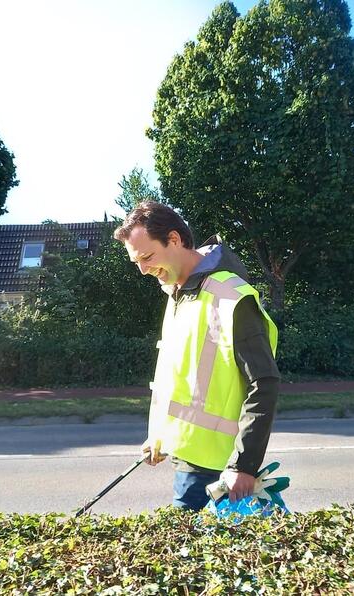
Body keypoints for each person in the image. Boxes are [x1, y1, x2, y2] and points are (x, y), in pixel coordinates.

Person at [114, 201, 280, 511]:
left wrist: (243, 465)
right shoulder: (180, 295)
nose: (143, 270)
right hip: (189, 463)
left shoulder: (231, 296)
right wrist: (160, 437)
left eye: (147, 257)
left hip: (222, 472)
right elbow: (183, 379)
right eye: (136, 262)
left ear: (174, 240)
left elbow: (264, 382)